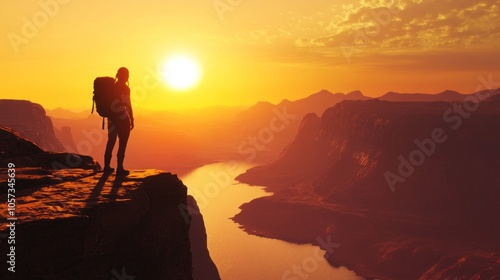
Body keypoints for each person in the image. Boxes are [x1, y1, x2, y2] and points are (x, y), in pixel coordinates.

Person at [103, 67, 134, 175]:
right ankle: (120, 168)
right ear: (124, 76)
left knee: (111, 141)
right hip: (122, 118)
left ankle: (106, 167)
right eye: (127, 75)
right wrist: (132, 118)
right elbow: (128, 104)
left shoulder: (112, 87)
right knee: (122, 142)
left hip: (111, 118)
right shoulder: (125, 88)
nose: (128, 77)